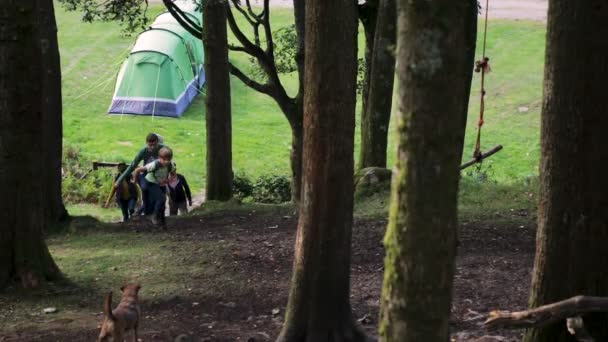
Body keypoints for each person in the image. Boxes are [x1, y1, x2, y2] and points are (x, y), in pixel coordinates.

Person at [115, 133, 166, 216]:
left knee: (160, 200)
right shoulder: (144, 151)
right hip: (146, 176)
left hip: (159, 178)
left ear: (158, 142)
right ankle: (144, 213)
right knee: (146, 191)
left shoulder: (164, 149)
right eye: (150, 145)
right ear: (147, 143)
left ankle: (158, 217)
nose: (152, 148)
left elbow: (169, 163)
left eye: (154, 145)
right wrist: (119, 181)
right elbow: (132, 166)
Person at [133, 147, 174, 228]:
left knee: (162, 203)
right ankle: (154, 216)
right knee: (161, 198)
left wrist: (168, 180)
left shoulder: (170, 165)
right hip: (150, 183)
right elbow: (137, 170)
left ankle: (162, 222)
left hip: (160, 184)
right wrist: (134, 180)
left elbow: (173, 174)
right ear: (159, 158)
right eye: (164, 159)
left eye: (168, 159)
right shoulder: (154, 164)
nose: (166, 162)